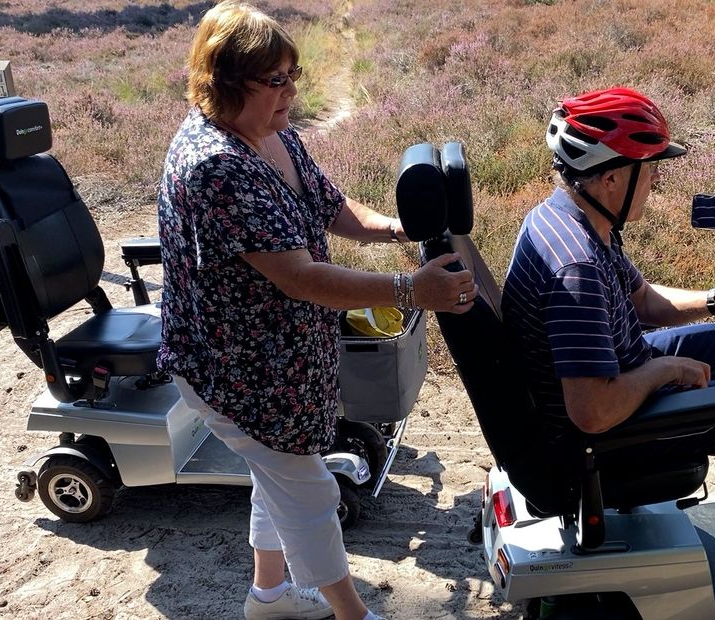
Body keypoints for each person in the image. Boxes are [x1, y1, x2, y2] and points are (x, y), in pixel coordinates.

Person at [156, 3, 476, 619]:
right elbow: (299, 277)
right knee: (308, 490)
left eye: (292, 75)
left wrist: (398, 229)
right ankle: (351, 613)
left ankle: (269, 595)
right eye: (275, 80)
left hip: (281, 361)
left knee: (276, 475)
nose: (291, 91)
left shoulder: (272, 133)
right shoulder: (216, 166)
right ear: (226, 82)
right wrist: (412, 289)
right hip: (235, 369)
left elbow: (330, 206)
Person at [500, 87, 715, 607]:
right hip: (595, 442)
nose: (658, 177)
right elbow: (593, 412)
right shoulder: (578, 269)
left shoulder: (573, 219)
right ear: (612, 176)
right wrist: (664, 373)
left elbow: (643, 302)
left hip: (609, 379)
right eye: (650, 165)